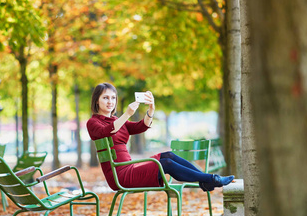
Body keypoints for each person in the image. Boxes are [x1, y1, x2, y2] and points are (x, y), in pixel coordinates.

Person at [86, 82, 234, 192]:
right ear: (96, 100)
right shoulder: (93, 123)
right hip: (120, 175)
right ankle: (210, 180)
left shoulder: (116, 120)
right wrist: (127, 114)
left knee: (168, 154)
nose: (110, 102)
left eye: (113, 98)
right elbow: (107, 131)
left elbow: (141, 127)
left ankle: (207, 179)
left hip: (130, 168)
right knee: (166, 163)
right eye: (105, 98)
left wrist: (151, 109)